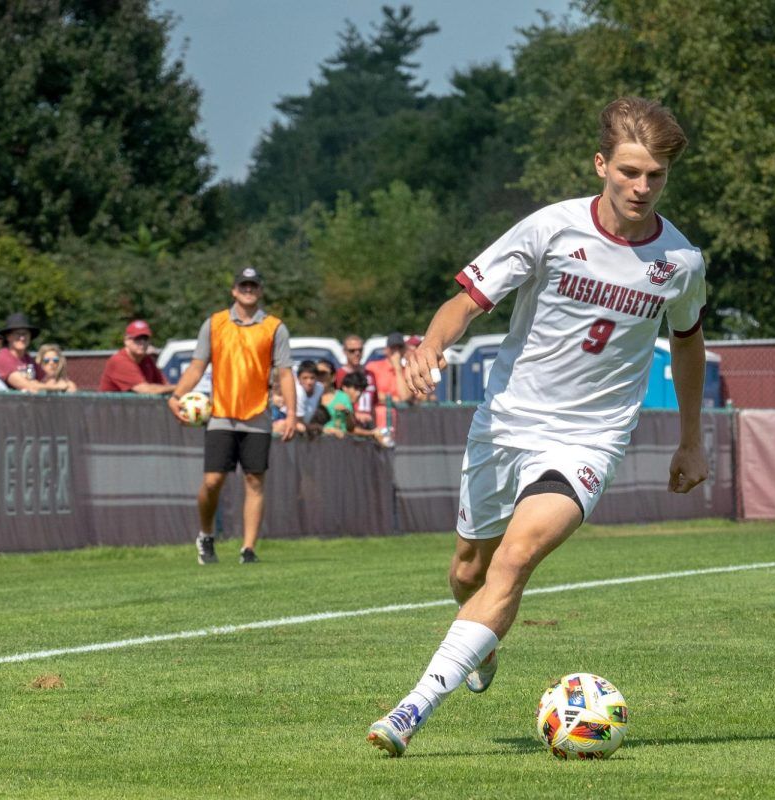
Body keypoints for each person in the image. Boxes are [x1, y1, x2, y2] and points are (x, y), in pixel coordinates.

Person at [367, 97, 709, 757]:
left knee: (517, 558)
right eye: (630, 171)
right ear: (601, 163)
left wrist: (690, 439)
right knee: (470, 570)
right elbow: (462, 305)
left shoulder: (680, 262)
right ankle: (482, 641)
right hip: (504, 425)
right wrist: (429, 350)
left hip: (588, 439)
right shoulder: (549, 230)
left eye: (656, 176)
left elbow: (689, 342)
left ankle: (411, 710)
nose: (642, 187)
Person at [167, 267, 297, 565]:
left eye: (253, 285)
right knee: (213, 481)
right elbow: (197, 367)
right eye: (243, 285)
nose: (248, 290)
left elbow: (285, 373)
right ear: (234, 290)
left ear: (260, 290)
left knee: (254, 479)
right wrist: (176, 396)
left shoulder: (275, 327)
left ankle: (248, 548)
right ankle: (206, 534)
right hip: (221, 413)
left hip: (258, 415)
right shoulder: (215, 324)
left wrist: (290, 414)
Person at [99, 320, 175, 394]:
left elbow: (164, 384)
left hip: (131, 405)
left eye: (145, 338)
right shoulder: (119, 361)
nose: (142, 343)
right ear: (126, 340)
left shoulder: (147, 360)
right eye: (137, 338)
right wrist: (178, 388)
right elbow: (145, 390)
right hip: (109, 406)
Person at [0, 312, 60, 393]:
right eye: (18, 334)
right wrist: (57, 386)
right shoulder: (2, 357)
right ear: (8, 336)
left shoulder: (28, 359)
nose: (22, 338)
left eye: (25, 334)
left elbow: (45, 379)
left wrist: (64, 383)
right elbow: (27, 386)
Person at [366, 332, 414, 429]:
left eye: (399, 348)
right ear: (386, 350)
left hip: (402, 424)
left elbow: (405, 397)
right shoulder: (373, 367)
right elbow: (371, 395)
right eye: (393, 348)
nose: (396, 352)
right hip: (378, 423)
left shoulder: (408, 371)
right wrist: (392, 400)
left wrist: (398, 369)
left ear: (404, 350)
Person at [292, 360, 326, 429]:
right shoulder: (299, 393)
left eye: (312, 378)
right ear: (298, 379)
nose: (309, 382)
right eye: (305, 378)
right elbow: (299, 421)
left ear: (317, 377)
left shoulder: (320, 388)